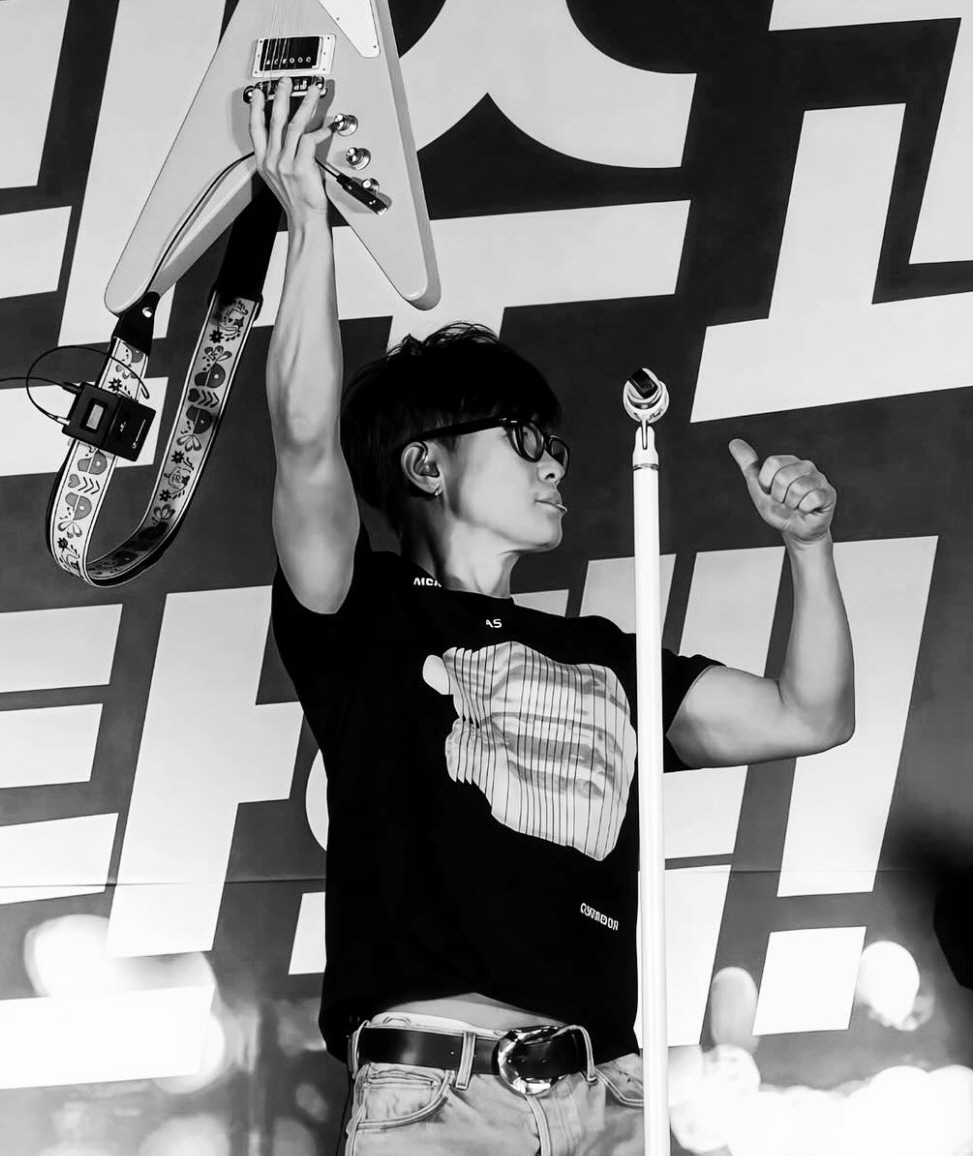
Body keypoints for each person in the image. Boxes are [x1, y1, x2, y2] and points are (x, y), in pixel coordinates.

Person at [251, 79, 855, 1155]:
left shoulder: (601, 658)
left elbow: (809, 714)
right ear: (427, 464)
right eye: (522, 439)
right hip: (438, 1101)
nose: (553, 463)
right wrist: (308, 224)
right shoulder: (365, 620)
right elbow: (305, 446)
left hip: (607, 1099)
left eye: (556, 444)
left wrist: (808, 549)